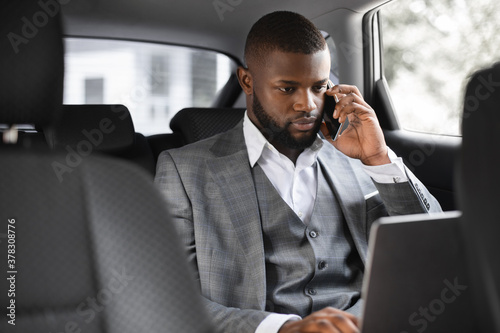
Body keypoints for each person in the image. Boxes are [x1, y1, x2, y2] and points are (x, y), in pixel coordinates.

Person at [154, 11, 442, 333]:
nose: (307, 104)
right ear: (247, 81)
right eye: (287, 89)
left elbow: (434, 249)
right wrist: (283, 329)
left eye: (318, 87)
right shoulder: (184, 170)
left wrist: (377, 157)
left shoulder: (358, 156)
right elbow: (169, 298)